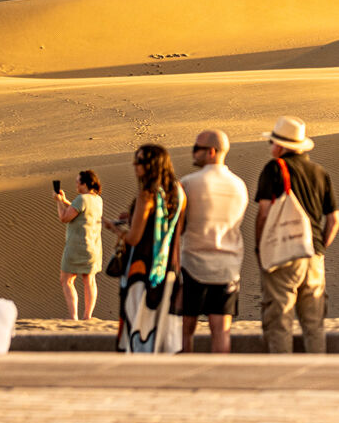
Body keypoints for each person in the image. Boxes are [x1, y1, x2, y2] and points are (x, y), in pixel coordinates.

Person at [254, 116, 337, 354]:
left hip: (282, 254)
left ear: (280, 146)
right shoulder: (320, 172)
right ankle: (315, 376)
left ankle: (282, 379)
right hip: (313, 257)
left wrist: (261, 249)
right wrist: (320, 248)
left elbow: (263, 214)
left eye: (272, 142)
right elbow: (333, 220)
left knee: (279, 319)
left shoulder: (274, 169)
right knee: (314, 323)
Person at [109, 144, 186, 354]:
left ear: (154, 164)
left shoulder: (147, 195)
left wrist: (114, 229)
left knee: (138, 323)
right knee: (161, 324)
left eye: (140, 161)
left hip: (141, 270)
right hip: (169, 268)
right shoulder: (179, 192)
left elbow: (134, 238)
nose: (135, 166)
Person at [178, 129, 247, 353]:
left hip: (192, 264)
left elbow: (177, 225)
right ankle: (222, 378)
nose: (193, 152)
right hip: (228, 266)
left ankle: (182, 376)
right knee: (221, 330)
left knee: (185, 328)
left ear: (212, 151)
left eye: (197, 148)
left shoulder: (188, 183)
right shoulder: (239, 185)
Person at [54, 170, 102, 320]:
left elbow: (64, 217)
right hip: (93, 247)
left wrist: (58, 202)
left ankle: (74, 316)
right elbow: (81, 211)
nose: (76, 184)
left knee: (66, 279)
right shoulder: (97, 199)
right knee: (89, 279)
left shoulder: (81, 199)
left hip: (76, 247)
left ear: (85, 184)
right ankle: (87, 316)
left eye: (78, 181)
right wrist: (65, 200)